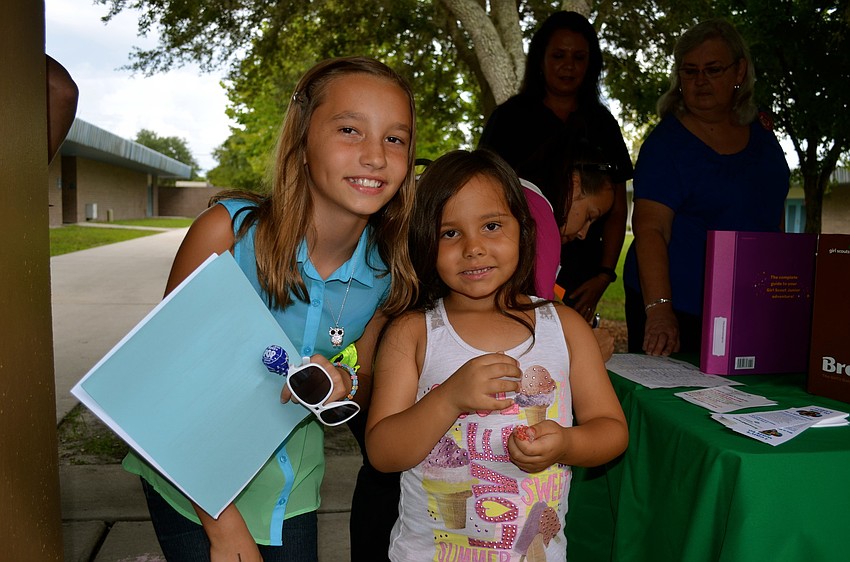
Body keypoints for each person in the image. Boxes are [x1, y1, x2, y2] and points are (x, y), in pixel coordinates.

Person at [122, 56, 418, 562]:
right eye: (350, 129)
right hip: (191, 479)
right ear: (302, 142)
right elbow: (162, 392)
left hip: (290, 486)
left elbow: (359, 375)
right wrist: (221, 523)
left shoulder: (388, 273)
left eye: (395, 138)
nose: (374, 156)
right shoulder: (226, 235)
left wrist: (344, 380)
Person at [365, 149, 628, 560]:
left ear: (522, 232)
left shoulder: (566, 327)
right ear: (424, 242)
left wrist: (566, 444)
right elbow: (383, 452)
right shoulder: (414, 332)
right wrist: (449, 397)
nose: (473, 248)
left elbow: (612, 430)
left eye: (491, 226)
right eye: (449, 232)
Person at [622, 18, 790, 357]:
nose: (700, 81)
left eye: (712, 70)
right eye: (689, 71)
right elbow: (650, 229)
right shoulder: (666, 145)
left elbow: (772, 215)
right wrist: (659, 309)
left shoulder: (764, 133)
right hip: (679, 309)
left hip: (750, 306)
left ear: (739, 71)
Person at [479, 10, 632, 323]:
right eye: (559, 55)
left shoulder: (602, 124)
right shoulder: (510, 119)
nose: (568, 66)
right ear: (540, 59)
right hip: (518, 267)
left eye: (579, 57)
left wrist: (604, 274)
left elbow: (616, 207)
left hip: (581, 275)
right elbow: (482, 193)